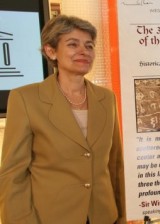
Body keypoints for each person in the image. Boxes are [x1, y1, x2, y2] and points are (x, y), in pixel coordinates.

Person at [0, 15, 126, 224]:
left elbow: (115, 165)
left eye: (89, 45)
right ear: (51, 51)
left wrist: (121, 216)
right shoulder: (25, 99)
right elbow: (13, 174)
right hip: (50, 218)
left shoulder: (106, 98)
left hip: (103, 216)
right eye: (72, 44)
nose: (84, 51)